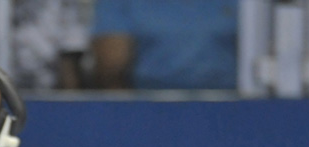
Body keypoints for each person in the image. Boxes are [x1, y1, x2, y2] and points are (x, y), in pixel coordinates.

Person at [90, 1, 239, 91]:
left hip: (236, 104)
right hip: (148, 105)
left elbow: (259, 56)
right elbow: (111, 70)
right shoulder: (121, 3)